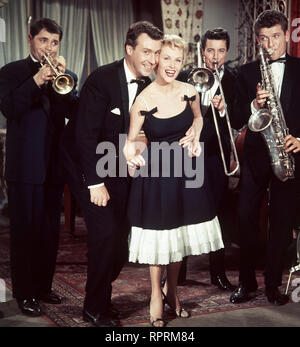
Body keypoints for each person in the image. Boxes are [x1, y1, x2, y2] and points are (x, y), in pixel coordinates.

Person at [61, 21, 164, 327]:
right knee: (105, 235)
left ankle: (102, 300)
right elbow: (85, 137)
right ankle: (93, 309)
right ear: (129, 49)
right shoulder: (101, 80)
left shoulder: (151, 84)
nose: (152, 59)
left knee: (121, 243)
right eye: (147, 51)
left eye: (157, 53)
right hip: (85, 164)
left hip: (119, 166)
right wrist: (94, 183)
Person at [123, 34, 224, 327]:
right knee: (159, 238)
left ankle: (173, 293)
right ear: (156, 60)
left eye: (177, 60)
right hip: (156, 175)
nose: (171, 65)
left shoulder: (190, 90)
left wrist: (195, 129)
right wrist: (131, 156)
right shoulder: (142, 99)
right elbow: (130, 140)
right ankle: (156, 295)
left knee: (178, 236)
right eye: (166, 58)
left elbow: (199, 117)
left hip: (184, 171)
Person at [0, 18, 78, 316]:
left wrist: (62, 84)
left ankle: (44, 287)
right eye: (44, 40)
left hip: (53, 165)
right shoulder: (12, 72)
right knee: (25, 232)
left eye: (54, 42)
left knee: (48, 232)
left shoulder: (65, 75)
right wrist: (37, 80)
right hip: (24, 166)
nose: (49, 46)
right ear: (30, 39)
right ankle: (25, 293)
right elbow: (9, 108)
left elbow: (71, 112)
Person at [229, 10, 300, 306]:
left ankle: (273, 285)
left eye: (275, 37)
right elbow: (234, 116)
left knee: (281, 221)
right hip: (257, 155)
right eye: (264, 38)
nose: (270, 44)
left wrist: (299, 140)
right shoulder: (246, 72)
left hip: (289, 155)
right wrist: (252, 104)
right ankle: (246, 284)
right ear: (258, 40)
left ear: (286, 35)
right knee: (245, 218)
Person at [177, 28, 237, 291]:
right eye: (210, 50)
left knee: (217, 215)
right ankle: (177, 272)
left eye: (221, 51)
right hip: (189, 153)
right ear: (203, 52)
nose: (215, 56)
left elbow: (244, 120)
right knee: (184, 212)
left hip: (215, 156)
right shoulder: (185, 76)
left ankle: (217, 273)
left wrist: (224, 110)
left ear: (226, 53)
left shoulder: (234, 80)